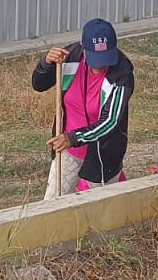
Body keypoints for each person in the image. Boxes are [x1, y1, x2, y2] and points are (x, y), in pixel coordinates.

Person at [32, 18, 135, 199]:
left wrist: (74, 138)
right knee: (52, 203)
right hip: (69, 150)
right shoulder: (70, 57)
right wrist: (46, 64)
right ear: (83, 48)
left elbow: (110, 121)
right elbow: (39, 85)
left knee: (101, 206)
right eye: (95, 59)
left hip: (103, 153)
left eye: (105, 58)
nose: (100, 65)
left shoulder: (122, 74)